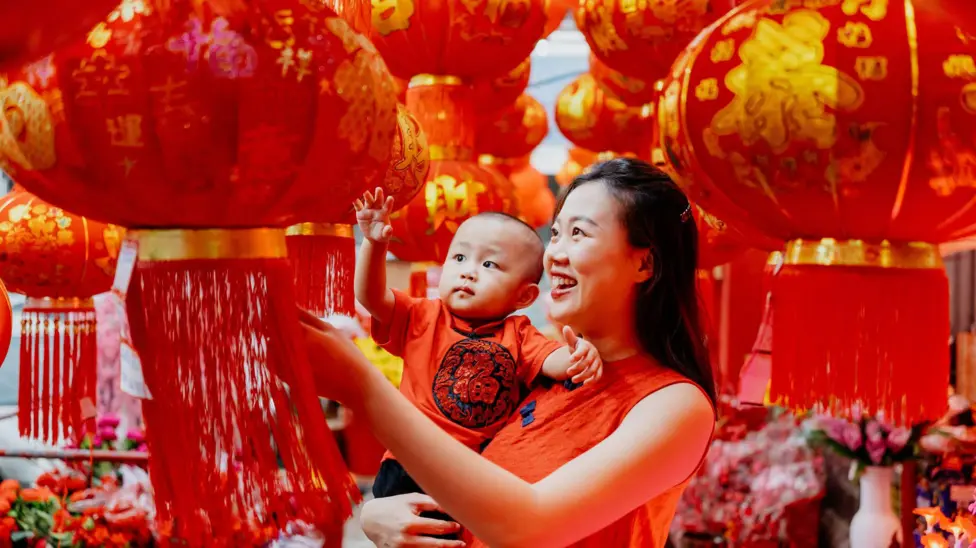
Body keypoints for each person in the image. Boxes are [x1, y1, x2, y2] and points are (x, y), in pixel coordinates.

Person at [302, 158, 717, 547]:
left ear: (645, 265)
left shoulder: (674, 404)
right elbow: (474, 484)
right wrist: (381, 511)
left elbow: (529, 527)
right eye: (555, 233)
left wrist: (365, 390)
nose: (553, 254)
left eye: (579, 233)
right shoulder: (539, 370)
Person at [352, 189, 604, 535]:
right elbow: (371, 297)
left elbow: (553, 361)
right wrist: (375, 245)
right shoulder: (423, 316)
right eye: (458, 258)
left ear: (525, 295)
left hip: (470, 472)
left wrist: (580, 355)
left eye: (489, 265)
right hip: (408, 464)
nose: (468, 272)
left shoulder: (518, 333)